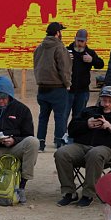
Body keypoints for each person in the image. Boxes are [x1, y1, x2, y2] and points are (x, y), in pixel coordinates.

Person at [55, 86, 111, 207]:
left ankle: (88, 194)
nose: (107, 104)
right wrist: (86, 124)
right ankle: (69, 193)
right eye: (104, 100)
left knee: (95, 153)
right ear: (100, 100)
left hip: (108, 149)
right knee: (61, 153)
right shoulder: (88, 111)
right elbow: (71, 130)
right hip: (81, 146)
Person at [33, 22, 72, 152]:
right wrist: (67, 84)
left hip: (42, 87)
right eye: (61, 31)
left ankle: (40, 143)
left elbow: (36, 65)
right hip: (57, 87)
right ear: (57, 33)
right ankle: (60, 143)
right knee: (60, 116)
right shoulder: (60, 48)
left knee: (43, 117)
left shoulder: (39, 48)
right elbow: (64, 69)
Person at [67, 29, 104, 116]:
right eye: (78, 41)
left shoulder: (89, 53)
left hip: (82, 91)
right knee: (63, 116)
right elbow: (55, 63)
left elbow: (101, 64)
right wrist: (65, 58)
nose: (80, 43)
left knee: (79, 117)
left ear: (86, 41)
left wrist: (92, 60)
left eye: (82, 41)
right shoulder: (67, 51)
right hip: (67, 90)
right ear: (75, 39)